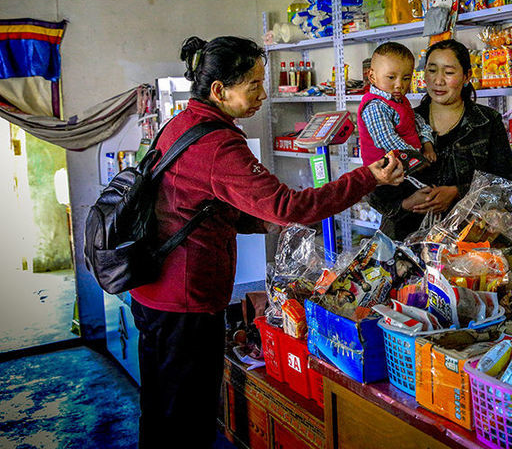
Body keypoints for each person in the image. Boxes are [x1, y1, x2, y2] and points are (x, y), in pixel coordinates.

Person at [129, 36, 404, 449]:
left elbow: (199, 204)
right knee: (186, 420)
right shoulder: (218, 144)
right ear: (220, 90)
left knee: (161, 409)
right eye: (254, 84)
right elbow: (289, 206)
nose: (263, 94)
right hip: (185, 302)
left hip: (154, 292)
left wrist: (267, 221)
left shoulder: (183, 123)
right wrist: (368, 177)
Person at [369, 39, 512, 241]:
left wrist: (458, 192)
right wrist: (406, 204)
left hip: (469, 242)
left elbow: (505, 182)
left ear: (466, 76)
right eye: (431, 71)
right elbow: (373, 186)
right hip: (407, 240)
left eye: (448, 72)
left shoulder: (487, 121)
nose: (438, 81)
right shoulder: (399, 122)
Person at [357, 41, 437, 166]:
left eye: (406, 78)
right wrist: (417, 160)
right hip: (385, 172)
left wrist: (427, 144)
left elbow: (419, 123)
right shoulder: (374, 106)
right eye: (391, 77)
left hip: (407, 167)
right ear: (372, 76)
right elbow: (387, 140)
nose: (399, 85)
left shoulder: (401, 101)